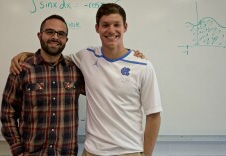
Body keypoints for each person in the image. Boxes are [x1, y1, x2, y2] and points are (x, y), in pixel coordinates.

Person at [10, 3, 162, 156]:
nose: (111, 30)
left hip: (130, 151)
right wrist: (27, 54)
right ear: (97, 28)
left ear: (125, 27)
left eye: (117, 25)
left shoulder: (143, 66)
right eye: (105, 25)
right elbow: (53, 57)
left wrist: (147, 154)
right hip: (91, 151)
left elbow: (154, 115)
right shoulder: (86, 56)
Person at [0, 14, 85, 156]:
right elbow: (7, 113)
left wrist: (132, 57)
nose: (55, 37)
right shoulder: (22, 69)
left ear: (66, 40)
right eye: (50, 32)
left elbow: (102, 86)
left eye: (61, 34)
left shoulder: (75, 71)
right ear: (39, 35)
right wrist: (17, 150)